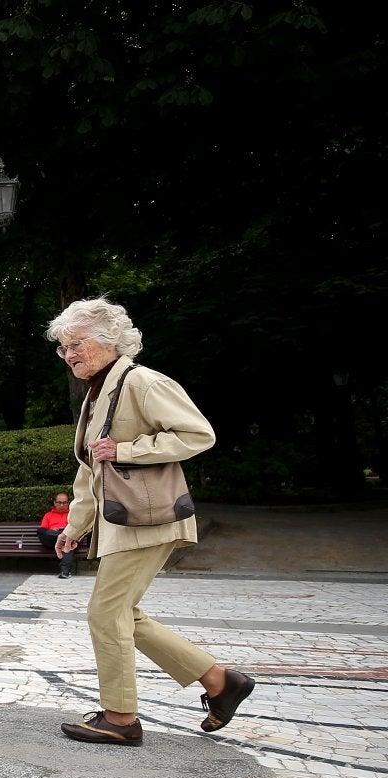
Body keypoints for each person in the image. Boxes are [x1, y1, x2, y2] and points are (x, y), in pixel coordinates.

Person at [47, 296, 254, 745]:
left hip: (148, 518)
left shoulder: (141, 382)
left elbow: (199, 434)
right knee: (125, 615)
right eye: (63, 347)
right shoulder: (98, 394)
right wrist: (74, 526)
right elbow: (90, 469)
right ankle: (221, 682)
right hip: (125, 520)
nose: (70, 354)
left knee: (106, 612)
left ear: (109, 341)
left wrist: (127, 450)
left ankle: (121, 719)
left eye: (77, 343)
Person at [36, 492, 77, 578]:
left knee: (68, 540)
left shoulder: (73, 515)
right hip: (51, 540)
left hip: (67, 540)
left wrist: (65, 532)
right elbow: (43, 531)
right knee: (40, 530)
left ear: (68, 503)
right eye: (59, 502)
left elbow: (76, 529)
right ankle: (61, 535)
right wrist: (54, 532)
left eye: (64, 502)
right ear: (55, 503)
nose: (62, 505)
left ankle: (65, 572)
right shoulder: (48, 515)